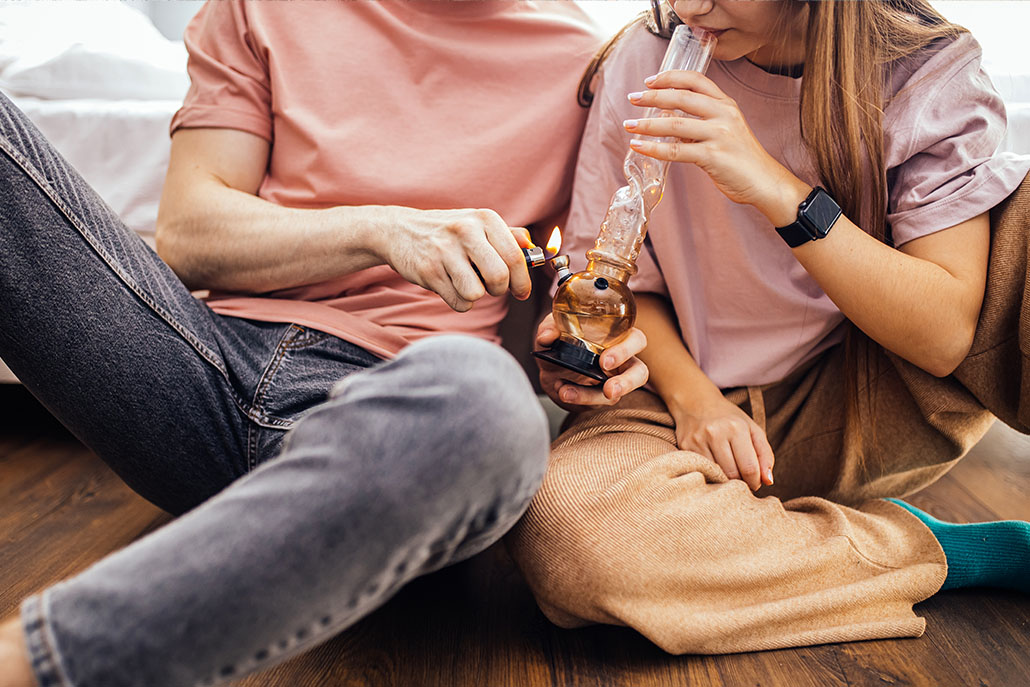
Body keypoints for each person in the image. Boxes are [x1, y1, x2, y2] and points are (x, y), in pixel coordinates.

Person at [0, 2, 645, 686]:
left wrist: (567, 363)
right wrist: (385, 231)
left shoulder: (584, 65)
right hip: (199, 371)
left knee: (490, 400)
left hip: (403, 421)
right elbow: (188, 234)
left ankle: (35, 663)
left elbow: (548, 308)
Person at [513, 0, 1030, 654]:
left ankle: (761, 553)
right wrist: (697, 401)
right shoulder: (644, 61)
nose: (688, 6)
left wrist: (774, 188)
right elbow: (614, 284)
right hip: (676, 405)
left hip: (866, 390)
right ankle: (943, 550)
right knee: (571, 535)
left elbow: (944, 335)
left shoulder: (924, 72)